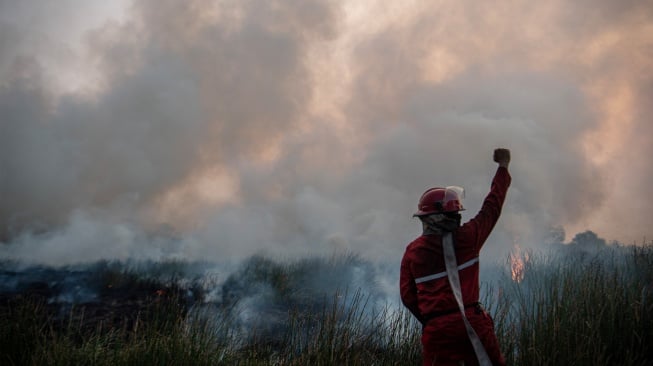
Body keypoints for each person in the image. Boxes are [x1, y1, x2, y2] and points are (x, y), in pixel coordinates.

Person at [400, 148, 511, 366]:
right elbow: (492, 207)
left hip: (437, 331)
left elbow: (407, 296)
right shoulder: (468, 238)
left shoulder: (413, 252)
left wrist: (432, 320)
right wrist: (503, 167)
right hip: (473, 323)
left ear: (426, 219)